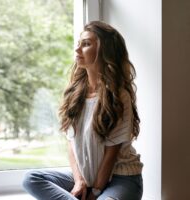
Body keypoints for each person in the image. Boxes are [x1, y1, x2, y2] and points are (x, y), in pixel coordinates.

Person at [22, 21, 143, 200]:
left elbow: (112, 153)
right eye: (78, 44)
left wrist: (95, 192)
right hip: (86, 177)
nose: (77, 50)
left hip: (122, 179)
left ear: (105, 51)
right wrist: (79, 181)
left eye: (86, 44)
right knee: (31, 179)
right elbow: (71, 143)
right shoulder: (75, 93)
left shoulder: (118, 95)